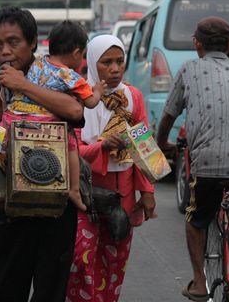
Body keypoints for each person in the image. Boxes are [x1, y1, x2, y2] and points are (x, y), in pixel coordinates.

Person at [0, 7, 83, 302]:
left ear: (32, 42)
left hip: (55, 204)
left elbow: (75, 111)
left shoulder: (56, 77)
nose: (5, 51)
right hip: (6, 209)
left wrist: (23, 85)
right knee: (4, 289)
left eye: (13, 42)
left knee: (50, 291)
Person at [156, 17, 229, 302]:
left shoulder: (189, 69)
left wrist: (162, 145)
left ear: (197, 43)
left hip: (209, 163)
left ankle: (198, 283)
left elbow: (168, 115)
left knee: (195, 219)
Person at [65, 35, 156, 302]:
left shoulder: (133, 97)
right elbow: (70, 149)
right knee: (81, 260)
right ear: (92, 62)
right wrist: (101, 148)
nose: (115, 69)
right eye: (106, 62)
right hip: (84, 195)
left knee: (115, 262)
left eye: (120, 61)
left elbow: (144, 148)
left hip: (122, 196)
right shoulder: (76, 100)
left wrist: (147, 193)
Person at [2, 20, 106, 211]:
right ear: (76, 53)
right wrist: (98, 90)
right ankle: (74, 189)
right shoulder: (72, 77)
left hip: (14, 116)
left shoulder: (39, 61)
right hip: (45, 122)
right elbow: (91, 103)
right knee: (71, 143)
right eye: (82, 55)